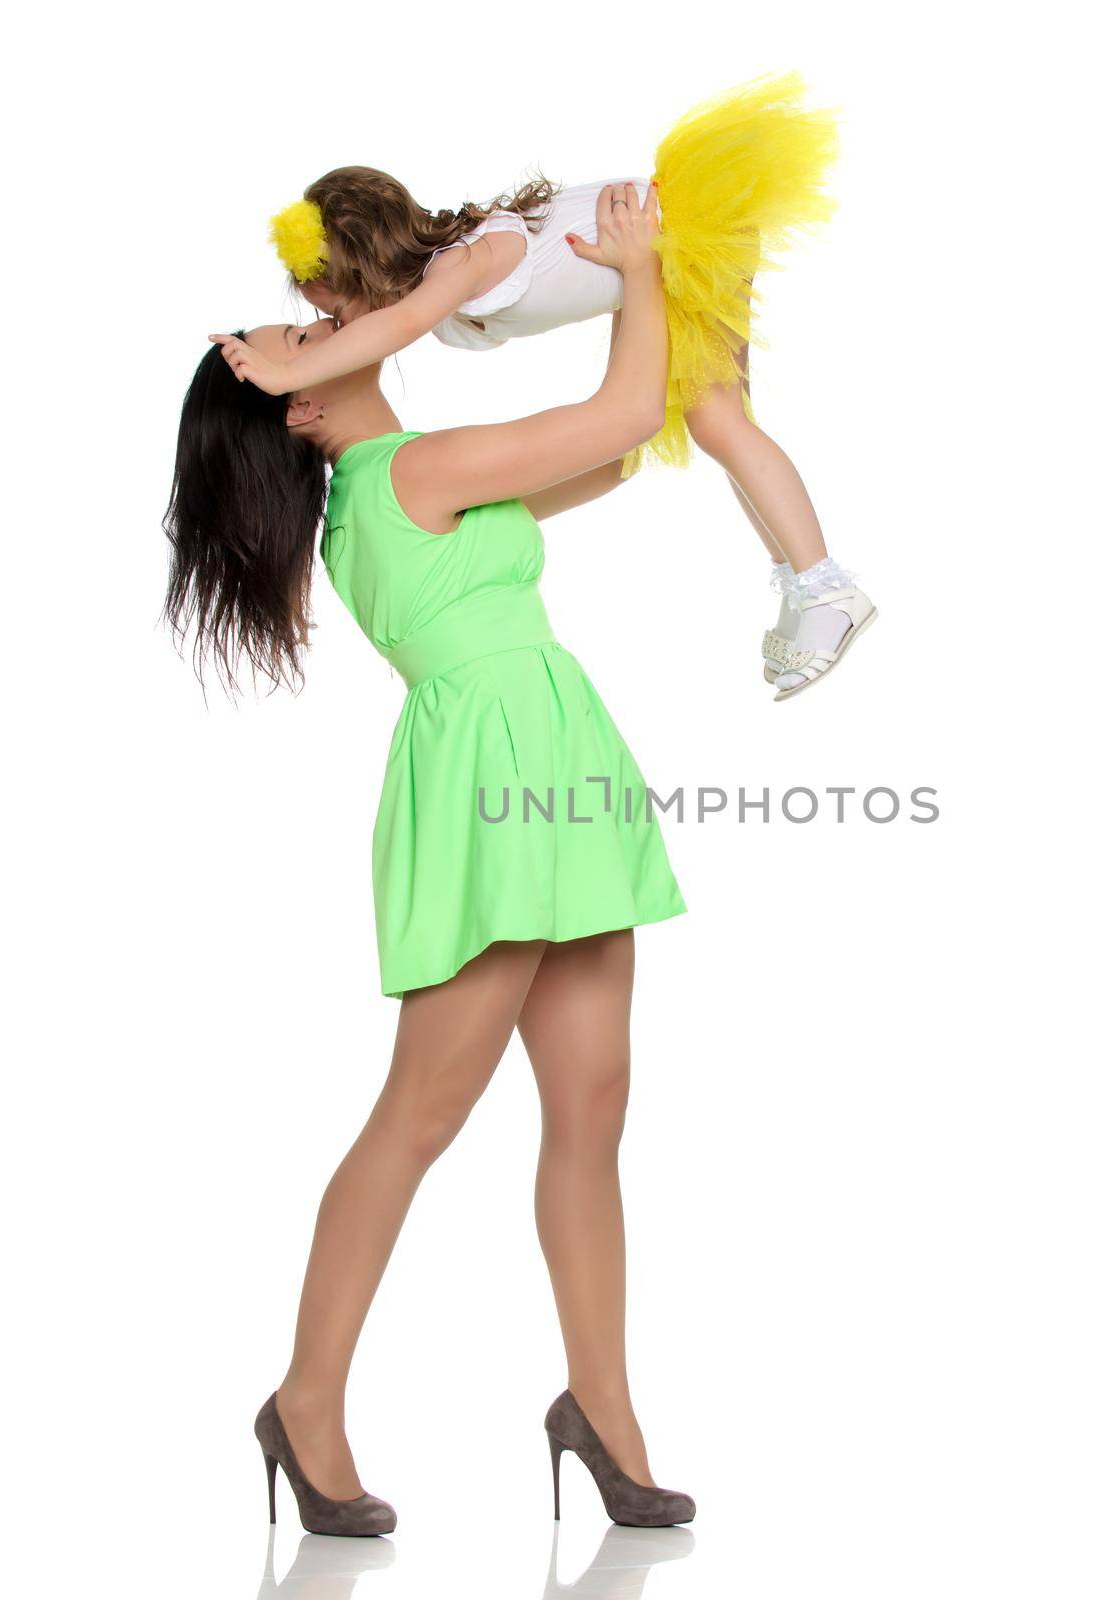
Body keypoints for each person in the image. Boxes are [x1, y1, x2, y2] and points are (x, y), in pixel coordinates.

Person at [164, 183, 693, 1534]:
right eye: (288, 342)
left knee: (593, 1110)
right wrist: (634, 275)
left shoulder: (410, 480)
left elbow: (620, 455)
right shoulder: (401, 476)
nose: (318, 327)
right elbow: (624, 417)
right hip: (495, 789)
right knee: (423, 1116)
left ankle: (604, 1411)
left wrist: (682, 315)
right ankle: (306, 1404)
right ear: (299, 406)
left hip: (556, 773)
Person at [214, 73, 876, 700]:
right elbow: (616, 452)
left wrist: (286, 370)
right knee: (718, 420)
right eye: (308, 334)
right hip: (657, 250)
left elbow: (407, 324)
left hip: (679, 228)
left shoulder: (460, 266)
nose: (332, 330)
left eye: (326, 315)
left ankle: (820, 585)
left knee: (719, 423)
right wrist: (635, 282)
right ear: (301, 410)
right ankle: (808, 582)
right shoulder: (413, 438)